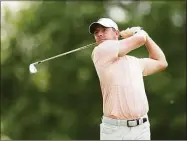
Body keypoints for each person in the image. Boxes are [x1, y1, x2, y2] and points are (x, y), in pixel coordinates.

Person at [88, 18, 168, 140]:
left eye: (104, 30)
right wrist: (138, 31)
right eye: (96, 32)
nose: (99, 34)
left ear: (116, 33)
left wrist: (146, 36)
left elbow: (161, 62)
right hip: (115, 131)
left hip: (142, 128)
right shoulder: (100, 51)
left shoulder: (134, 62)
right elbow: (140, 39)